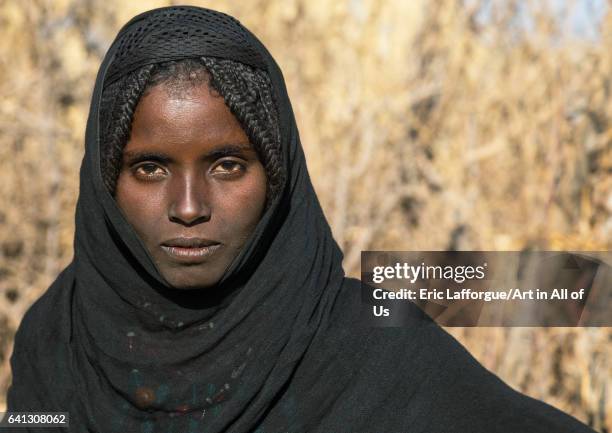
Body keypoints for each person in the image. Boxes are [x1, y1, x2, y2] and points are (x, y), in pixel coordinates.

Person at [6, 6, 596, 433]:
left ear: (278, 174)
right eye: (150, 169)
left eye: (229, 165)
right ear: (106, 183)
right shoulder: (55, 338)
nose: (189, 207)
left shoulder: (375, 349)